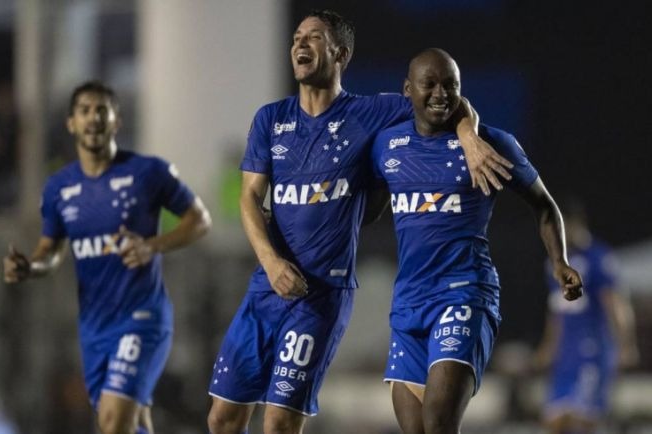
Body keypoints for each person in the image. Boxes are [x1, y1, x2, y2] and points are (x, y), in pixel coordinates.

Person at [206, 10, 514, 434]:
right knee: (221, 419)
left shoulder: (374, 113)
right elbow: (249, 198)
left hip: (320, 295)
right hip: (266, 287)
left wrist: (468, 137)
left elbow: (443, 98)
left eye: (314, 37)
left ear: (341, 54)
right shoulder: (271, 119)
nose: (300, 43)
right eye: (297, 36)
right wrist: (272, 263)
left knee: (277, 424)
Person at [370, 48, 584, 434]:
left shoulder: (491, 143)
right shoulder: (387, 146)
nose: (440, 93)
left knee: (439, 421)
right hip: (408, 304)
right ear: (407, 90)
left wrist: (559, 261)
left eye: (450, 84)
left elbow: (544, 205)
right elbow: (365, 207)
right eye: (429, 84)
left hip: (464, 293)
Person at [3, 81, 211, 434]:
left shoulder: (148, 172)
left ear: (117, 120)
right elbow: (50, 251)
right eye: (84, 111)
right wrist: (30, 266)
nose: (93, 118)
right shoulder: (58, 188)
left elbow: (200, 220)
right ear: (71, 123)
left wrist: (152, 245)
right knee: (124, 423)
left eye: (102, 110)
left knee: (115, 422)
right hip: (95, 327)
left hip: (141, 318)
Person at [533, 198, 638, 434]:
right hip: (566, 355)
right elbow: (557, 310)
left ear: (574, 224)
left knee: (582, 420)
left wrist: (625, 344)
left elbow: (615, 303)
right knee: (554, 421)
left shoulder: (598, 257)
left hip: (592, 350)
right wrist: (549, 347)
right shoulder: (555, 264)